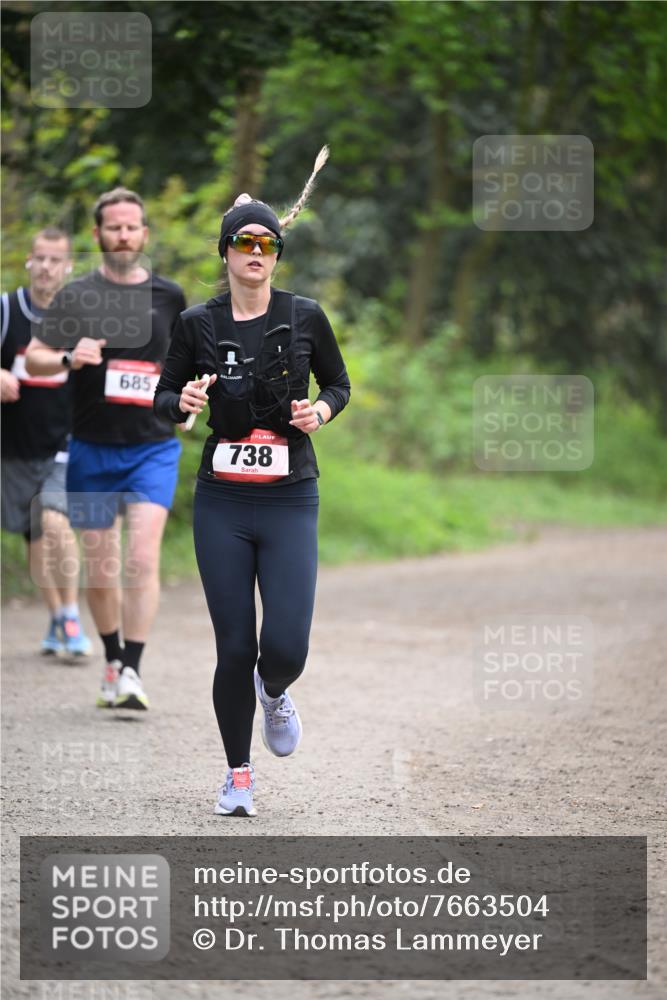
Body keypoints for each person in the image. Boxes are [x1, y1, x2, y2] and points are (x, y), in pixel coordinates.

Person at [154, 147, 350, 816]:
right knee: (234, 643)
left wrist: (318, 411)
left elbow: (340, 383)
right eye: (244, 241)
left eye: (267, 242)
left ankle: (276, 690)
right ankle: (238, 775)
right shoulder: (196, 325)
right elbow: (162, 394)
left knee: (285, 643)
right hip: (224, 500)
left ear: (276, 254)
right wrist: (181, 404)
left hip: (291, 495)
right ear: (227, 252)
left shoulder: (304, 317)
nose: (256, 251)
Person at [25, 188, 187, 711]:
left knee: (140, 557)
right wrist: (72, 355)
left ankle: (133, 671)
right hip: (92, 447)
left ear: (144, 233)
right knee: (101, 567)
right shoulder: (76, 295)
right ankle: (112, 659)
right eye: (113, 227)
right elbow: (35, 358)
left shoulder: (170, 297)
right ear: (97, 235)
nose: (123, 235)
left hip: (153, 448)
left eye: (132, 226)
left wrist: (185, 400)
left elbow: (185, 363)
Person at [1, 227, 92, 659]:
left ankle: (72, 615)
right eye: (40, 258)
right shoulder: (6, 310)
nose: (47, 266)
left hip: (65, 441)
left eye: (56, 259)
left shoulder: (80, 316)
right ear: (29, 262)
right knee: (34, 536)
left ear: (68, 266)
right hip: (14, 446)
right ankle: (56, 618)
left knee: (55, 520)